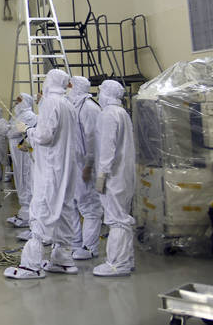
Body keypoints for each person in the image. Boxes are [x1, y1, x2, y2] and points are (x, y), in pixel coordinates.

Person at [4, 68, 81, 279]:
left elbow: (45, 136)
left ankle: (31, 265)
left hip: (50, 169)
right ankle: (63, 259)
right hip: (66, 169)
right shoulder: (68, 104)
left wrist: (27, 131)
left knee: (41, 211)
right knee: (64, 211)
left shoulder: (50, 103)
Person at [93, 79, 136, 277]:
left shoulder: (108, 114)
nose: (98, 95)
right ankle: (126, 258)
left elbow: (107, 147)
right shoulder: (122, 113)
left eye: (100, 91)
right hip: (124, 174)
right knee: (122, 217)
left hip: (113, 175)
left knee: (116, 218)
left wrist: (102, 173)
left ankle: (117, 263)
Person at [65, 75, 104, 260]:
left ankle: (90, 247)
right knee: (72, 203)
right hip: (73, 165)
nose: (68, 87)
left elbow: (93, 140)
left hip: (86, 167)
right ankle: (76, 243)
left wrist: (88, 165)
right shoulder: (73, 105)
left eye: (70, 85)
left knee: (89, 206)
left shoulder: (89, 108)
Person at [6, 93, 37, 228]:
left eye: (19, 101)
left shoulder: (29, 115)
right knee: (19, 179)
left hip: (24, 154)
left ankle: (28, 214)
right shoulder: (19, 116)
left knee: (26, 179)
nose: (17, 103)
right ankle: (23, 212)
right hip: (17, 154)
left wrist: (10, 129)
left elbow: (15, 131)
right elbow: (11, 130)